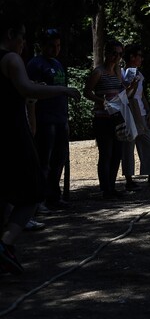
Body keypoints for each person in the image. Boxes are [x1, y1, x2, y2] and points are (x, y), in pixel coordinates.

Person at [0, 15, 80, 274]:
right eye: (22, 37)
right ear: (10, 34)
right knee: (34, 191)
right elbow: (27, 89)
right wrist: (63, 90)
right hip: (13, 133)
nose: (23, 43)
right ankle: (5, 243)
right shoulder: (11, 59)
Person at [25, 29, 71, 213]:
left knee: (59, 159)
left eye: (58, 45)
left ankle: (54, 196)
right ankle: (39, 200)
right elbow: (32, 94)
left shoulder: (58, 64)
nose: (55, 49)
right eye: (51, 45)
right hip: (45, 119)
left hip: (60, 118)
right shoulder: (35, 64)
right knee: (44, 161)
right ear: (42, 46)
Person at [83, 39, 128, 200]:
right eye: (114, 53)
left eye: (120, 54)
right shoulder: (98, 72)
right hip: (102, 118)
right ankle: (106, 188)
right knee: (106, 153)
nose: (116, 57)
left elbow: (120, 92)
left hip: (116, 117)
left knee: (117, 153)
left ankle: (112, 186)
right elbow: (86, 91)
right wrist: (100, 101)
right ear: (107, 53)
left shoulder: (117, 72)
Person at [120, 44, 150, 190]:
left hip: (141, 113)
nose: (141, 59)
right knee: (129, 145)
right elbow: (127, 93)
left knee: (148, 143)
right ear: (132, 57)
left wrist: (148, 109)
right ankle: (129, 180)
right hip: (130, 112)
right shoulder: (124, 72)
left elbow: (141, 94)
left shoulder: (139, 73)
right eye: (139, 56)